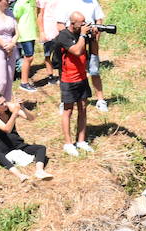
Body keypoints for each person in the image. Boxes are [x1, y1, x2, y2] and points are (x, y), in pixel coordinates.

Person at [0, 91, 52, 179]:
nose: (5, 104)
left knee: (41, 148)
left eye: (5, 101)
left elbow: (31, 118)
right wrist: (15, 112)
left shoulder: (9, 107)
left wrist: (23, 108)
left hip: (15, 141)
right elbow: (7, 129)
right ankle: (19, 175)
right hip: (2, 144)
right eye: (1, 104)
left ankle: (39, 171)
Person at [54, 11, 93, 156]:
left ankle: (81, 141)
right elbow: (76, 51)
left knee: (83, 108)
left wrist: (93, 38)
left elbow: (93, 52)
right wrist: (83, 35)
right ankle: (68, 143)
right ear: (72, 23)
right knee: (68, 110)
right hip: (68, 78)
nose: (84, 25)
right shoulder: (64, 35)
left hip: (82, 77)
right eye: (81, 23)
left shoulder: (83, 35)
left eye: (85, 22)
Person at [12, 0, 39, 92]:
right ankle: (24, 82)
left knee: (29, 57)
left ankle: (24, 81)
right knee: (28, 57)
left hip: (31, 34)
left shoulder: (30, 2)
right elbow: (15, 18)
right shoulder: (20, 4)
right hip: (25, 34)